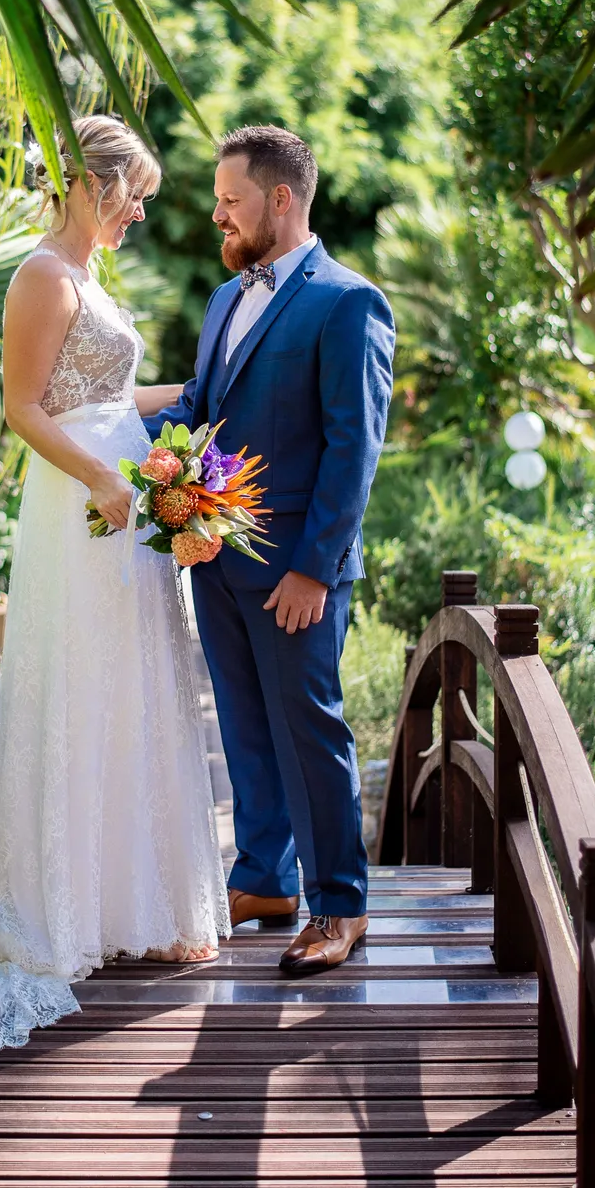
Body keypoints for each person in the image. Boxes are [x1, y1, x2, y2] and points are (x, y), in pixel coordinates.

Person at [0, 115, 229, 1055]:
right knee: (82, 681)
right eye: (136, 195)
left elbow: (110, 399)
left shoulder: (87, 275)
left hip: (127, 507)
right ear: (92, 184)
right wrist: (105, 478)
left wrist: (199, 399)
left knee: (135, 685)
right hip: (82, 508)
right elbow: (23, 407)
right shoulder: (41, 275)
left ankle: (132, 901)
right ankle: (60, 910)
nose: (142, 213)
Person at [146, 125, 395, 974]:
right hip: (214, 558)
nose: (218, 212)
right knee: (245, 729)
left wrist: (313, 568)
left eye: (231, 199)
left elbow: (352, 447)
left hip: (296, 571)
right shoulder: (224, 299)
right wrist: (96, 429)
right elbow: (200, 409)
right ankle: (263, 877)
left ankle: (338, 904)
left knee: (308, 730)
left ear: (280, 199)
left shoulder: (347, 301)